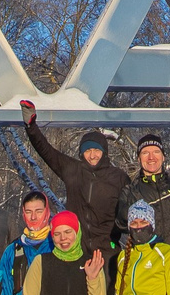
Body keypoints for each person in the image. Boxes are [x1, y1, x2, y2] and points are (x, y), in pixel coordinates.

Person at [21, 101, 130, 252]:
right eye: (87, 150)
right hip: (77, 249)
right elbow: (46, 151)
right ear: (81, 153)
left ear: (104, 152)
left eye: (97, 150)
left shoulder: (118, 178)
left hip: (107, 250)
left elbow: (131, 212)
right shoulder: (73, 170)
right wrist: (31, 126)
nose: (92, 155)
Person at [120, 134, 170, 246]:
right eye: (145, 153)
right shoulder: (130, 192)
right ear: (138, 158)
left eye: (156, 152)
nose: (151, 157)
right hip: (148, 260)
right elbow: (121, 226)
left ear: (163, 157)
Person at [0, 192, 57, 295]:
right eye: (29, 212)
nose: (33, 217)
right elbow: (5, 288)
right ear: (23, 214)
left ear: (47, 212)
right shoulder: (13, 250)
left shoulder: (56, 246)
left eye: (39, 211)